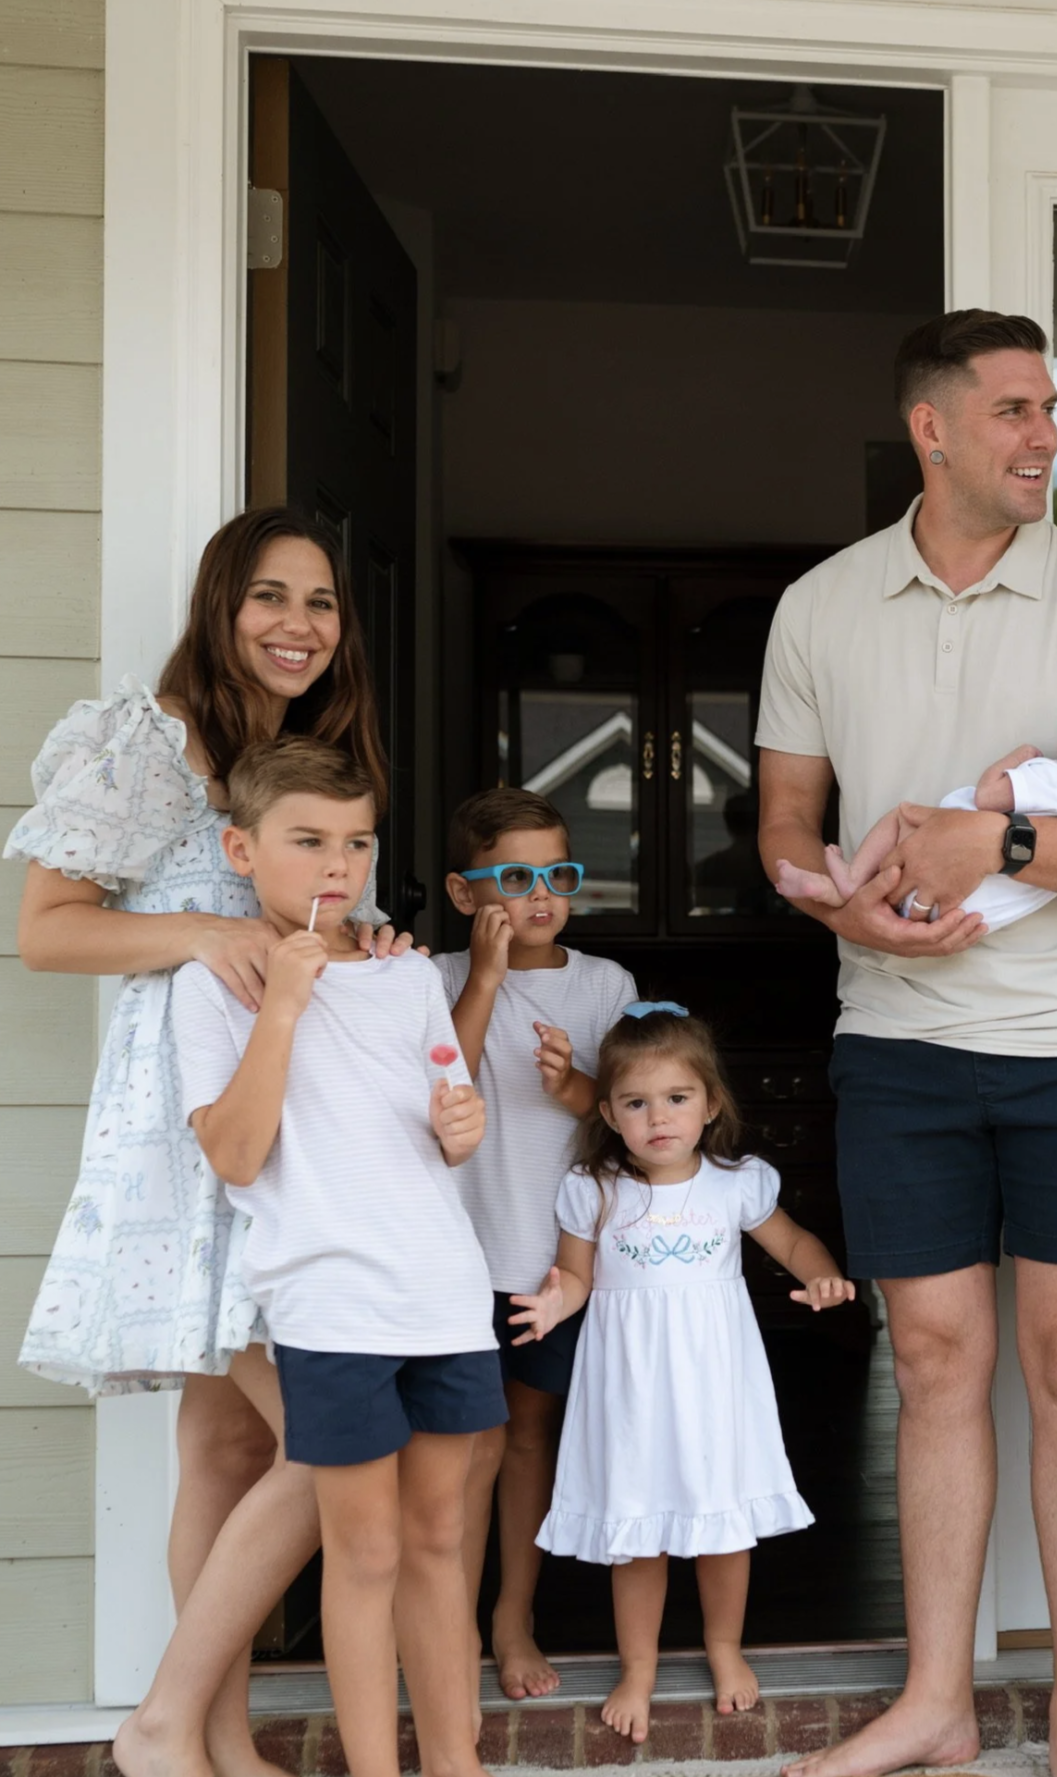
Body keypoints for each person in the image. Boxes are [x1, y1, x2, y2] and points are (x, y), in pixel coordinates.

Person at [756, 309, 1057, 1777]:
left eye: (1050, 410)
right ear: (931, 429)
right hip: (897, 1040)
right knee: (935, 1365)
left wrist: (997, 835)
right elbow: (784, 834)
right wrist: (853, 922)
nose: (1045, 438)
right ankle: (937, 1701)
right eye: (1013, 411)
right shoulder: (819, 607)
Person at [5, 507, 409, 1777]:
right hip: (195, 1116)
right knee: (315, 1431)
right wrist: (197, 928)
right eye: (271, 597)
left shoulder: (321, 763)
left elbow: (314, 926)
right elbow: (50, 930)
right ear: (221, 602)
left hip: (307, 1111)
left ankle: (209, 1737)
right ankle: (180, 1722)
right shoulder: (149, 742)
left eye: (324, 603)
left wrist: (368, 946)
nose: (298, 625)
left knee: (239, 1440)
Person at [172, 736, 498, 1777]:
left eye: (355, 842)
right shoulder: (212, 984)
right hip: (331, 1303)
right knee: (364, 1552)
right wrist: (281, 1003)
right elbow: (234, 1150)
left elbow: (444, 1120)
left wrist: (462, 1125)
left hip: (442, 1291)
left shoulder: (405, 976)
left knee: (443, 1542)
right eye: (307, 840)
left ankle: (458, 1763)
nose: (336, 867)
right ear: (240, 846)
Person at [516, 1003, 854, 1746]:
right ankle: (638, 1668)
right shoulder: (594, 1189)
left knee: (723, 1524)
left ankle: (723, 1649)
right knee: (639, 1535)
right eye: (636, 1103)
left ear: (710, 1106)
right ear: (607, 1112)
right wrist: (552, 1304)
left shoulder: (737, 1183)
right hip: (630, 1390)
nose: (657, 1118)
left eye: (676, 1099)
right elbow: (574, 1277)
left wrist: (825, 1276)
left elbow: (793, 1242)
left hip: (713, 1385)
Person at [435, 787, 637, 1701]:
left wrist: (573, 1090)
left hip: (554, 1258)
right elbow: (438, 1086)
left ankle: (511, 1617)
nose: (541, 893)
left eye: (559, 874)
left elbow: (636, 1121)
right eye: (515, 877)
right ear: (464, 892)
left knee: (525, 1437)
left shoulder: (605, 987)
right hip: (452, 1253)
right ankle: (442, 1626)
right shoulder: (433, 978)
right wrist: (483, 983)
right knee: (455, 1446)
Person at [776, 711, 1057, 929]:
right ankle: (832, 891)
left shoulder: (1053, 779)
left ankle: (849, 879)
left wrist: (1017, 757)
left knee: (900, 816)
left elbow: (987, 796)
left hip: (937, 872)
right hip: (969, 912)